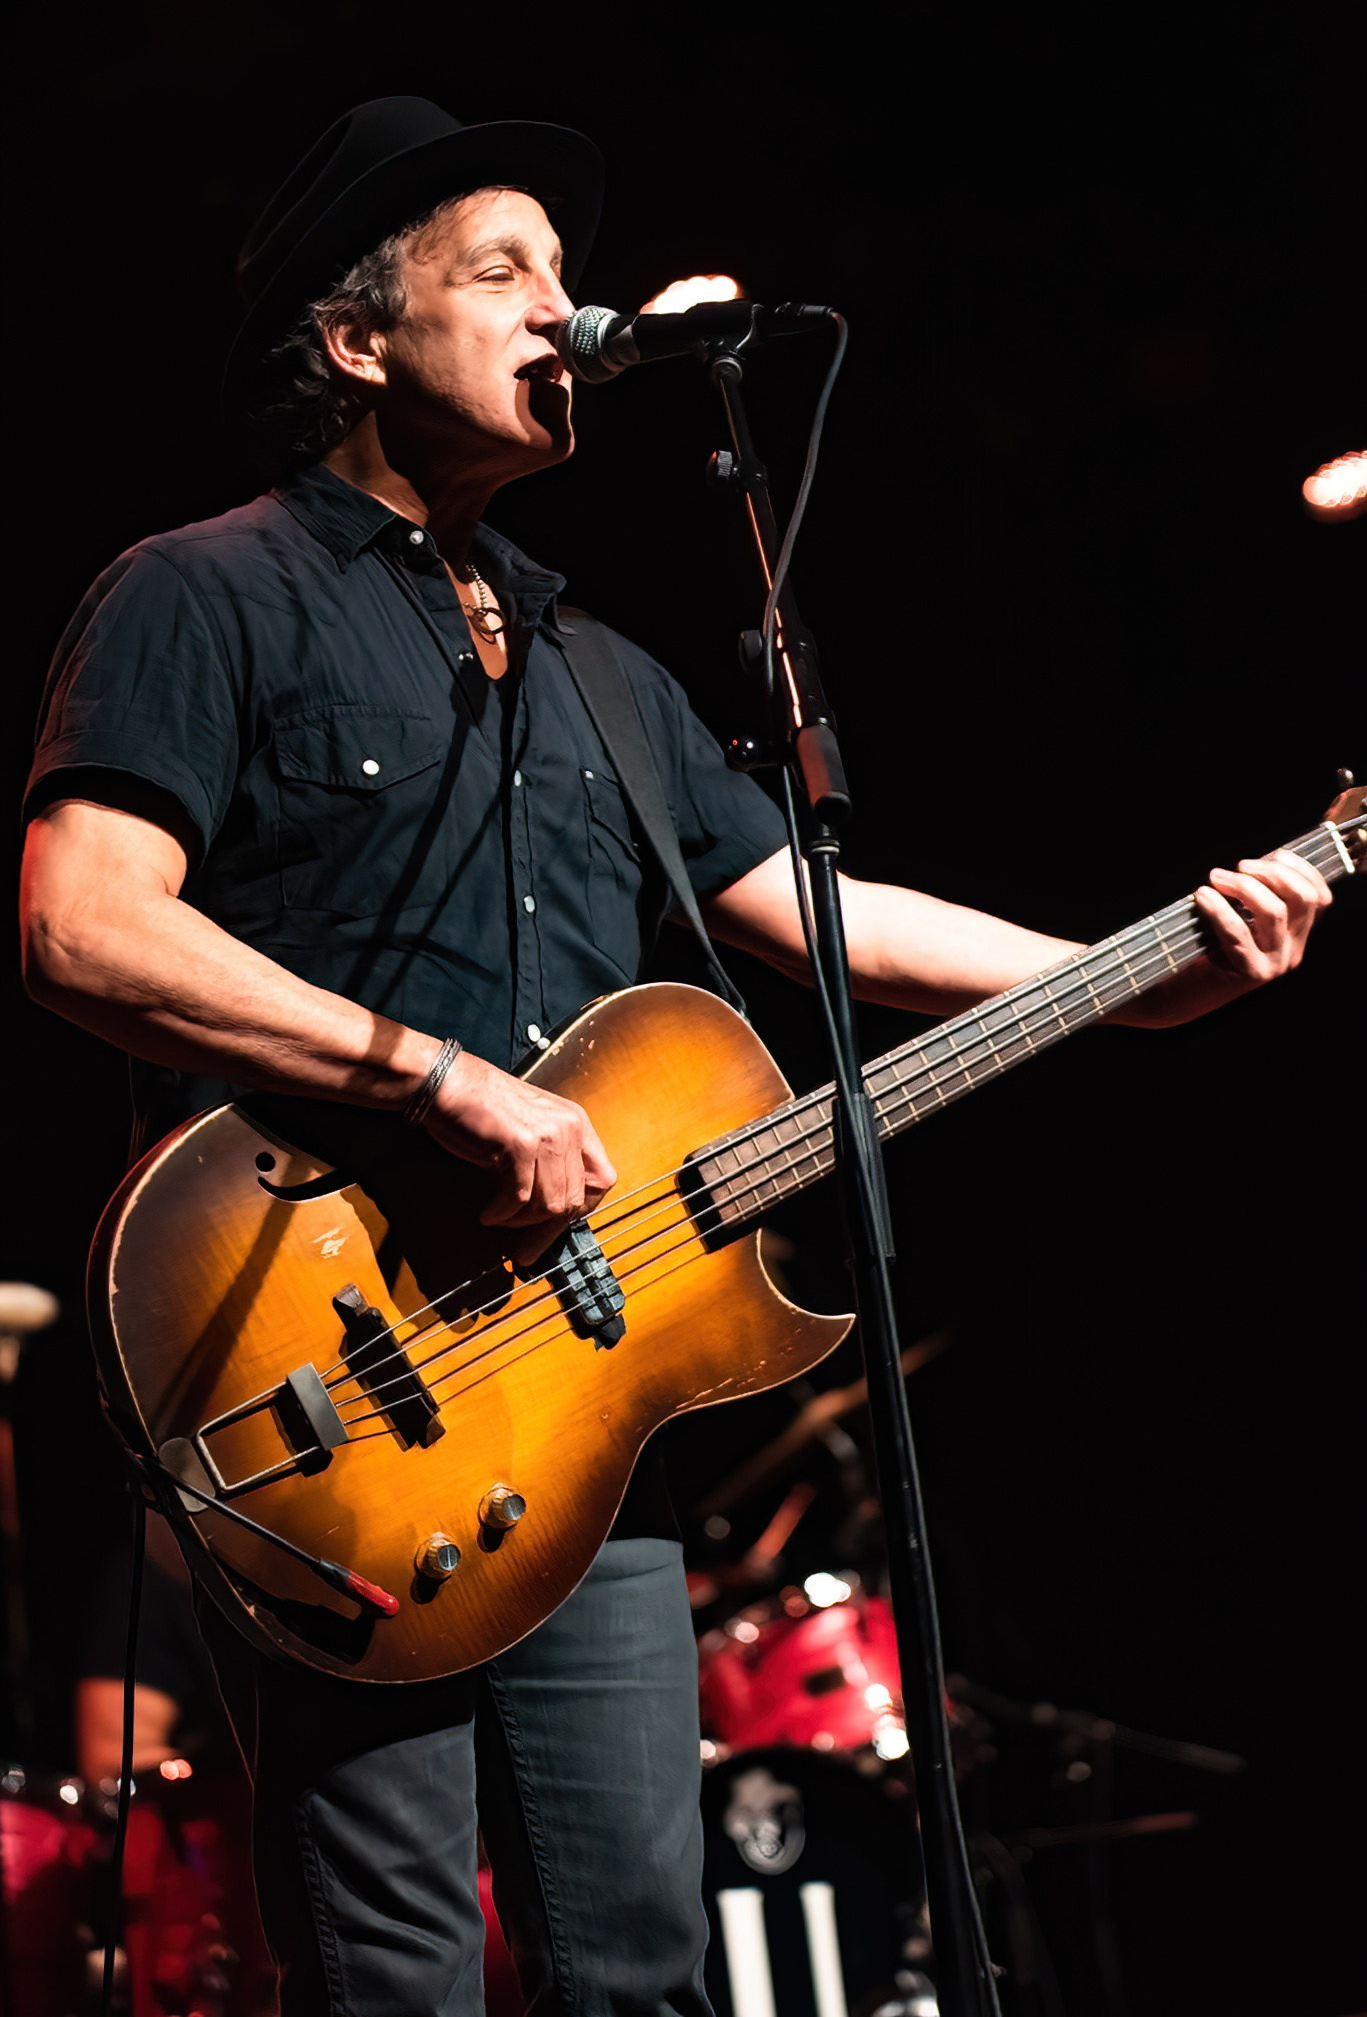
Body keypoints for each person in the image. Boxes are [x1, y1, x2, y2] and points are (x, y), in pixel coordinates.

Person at [18, 98, 1332, 2015]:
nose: (564, 312)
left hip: (584, 1420)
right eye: (503, 274)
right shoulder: (202, 590)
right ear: (357, 340)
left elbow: (831, 918)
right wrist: (442, 1082)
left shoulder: (598, 669)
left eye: (566, 274)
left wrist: (1138, 975)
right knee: (393, 1977)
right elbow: (83, 924)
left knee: (641, 1969)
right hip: (322, 1384)